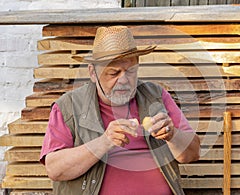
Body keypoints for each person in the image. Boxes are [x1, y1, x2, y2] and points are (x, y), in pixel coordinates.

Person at [40, 26, 200, 195]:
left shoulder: (156, 96)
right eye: (113, 73)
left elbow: (193, 153)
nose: (123, 80)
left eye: (130, 71)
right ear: (93, 73)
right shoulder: (68, 106)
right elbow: (55, 169)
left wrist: (172, 134)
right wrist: (104, 142)